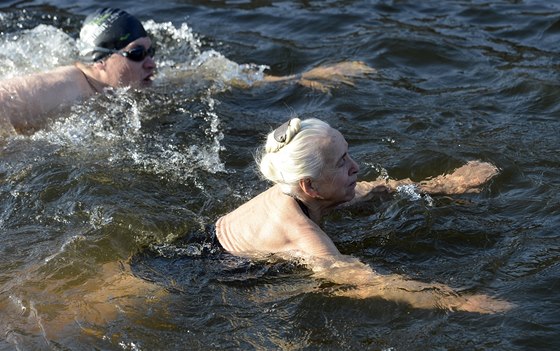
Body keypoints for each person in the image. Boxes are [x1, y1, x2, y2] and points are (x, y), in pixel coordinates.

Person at [216, 117, 513, 314]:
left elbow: (374, 190)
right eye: (342, 162)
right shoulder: (303, 235)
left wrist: (445, 185)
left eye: (348, 154)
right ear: (311, 186)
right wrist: (459, 301)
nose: (356, 167)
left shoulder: (297, 188)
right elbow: (363, 283)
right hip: (220, 272)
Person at [0, 8, 374, 135]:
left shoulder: (120, 83)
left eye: (152, 51)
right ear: (101, 59)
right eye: (137, 54)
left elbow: (210, 73)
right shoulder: (61, 87)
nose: (152, 63)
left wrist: (301, 80)